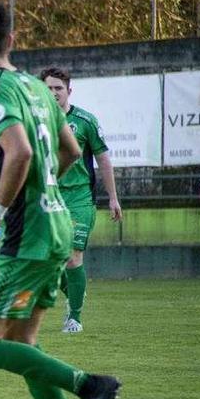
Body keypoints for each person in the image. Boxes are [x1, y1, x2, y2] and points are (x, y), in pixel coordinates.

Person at [0, 0, 121, 399]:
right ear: (12, 40)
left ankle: (91, 385)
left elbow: (20, 152)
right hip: (56, 226)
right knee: (23, 343)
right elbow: (70, 151)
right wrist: (44, 190)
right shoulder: (35, 87)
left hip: (24, 236)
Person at [40, 67, 122, 333]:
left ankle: (74, 317)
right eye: (48, 88)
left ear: (68, 91)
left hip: (79, 199)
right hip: (48, 198)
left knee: (73, 257)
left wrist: (113, 198)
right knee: (47, 259)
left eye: (58, 88)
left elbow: (103, 159)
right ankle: (75, 289)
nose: (53, 93)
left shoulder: (85, 121)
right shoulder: (33, 121)